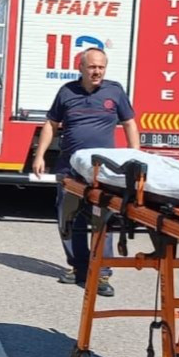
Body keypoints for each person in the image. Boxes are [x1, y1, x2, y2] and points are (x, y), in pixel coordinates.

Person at [31, 47, 139, 298]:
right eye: (92, 67)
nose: (97, 71)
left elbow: (130, 123)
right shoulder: (67, 92)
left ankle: (102, 273)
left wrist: (135, 154)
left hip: (104, 172)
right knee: (68, 219)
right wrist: (40, 155)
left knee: (104, 221)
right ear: (80, 68)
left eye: (101, 67)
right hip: (69, 169)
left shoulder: (115, 91)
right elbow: (51, 124)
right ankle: (78, 267)